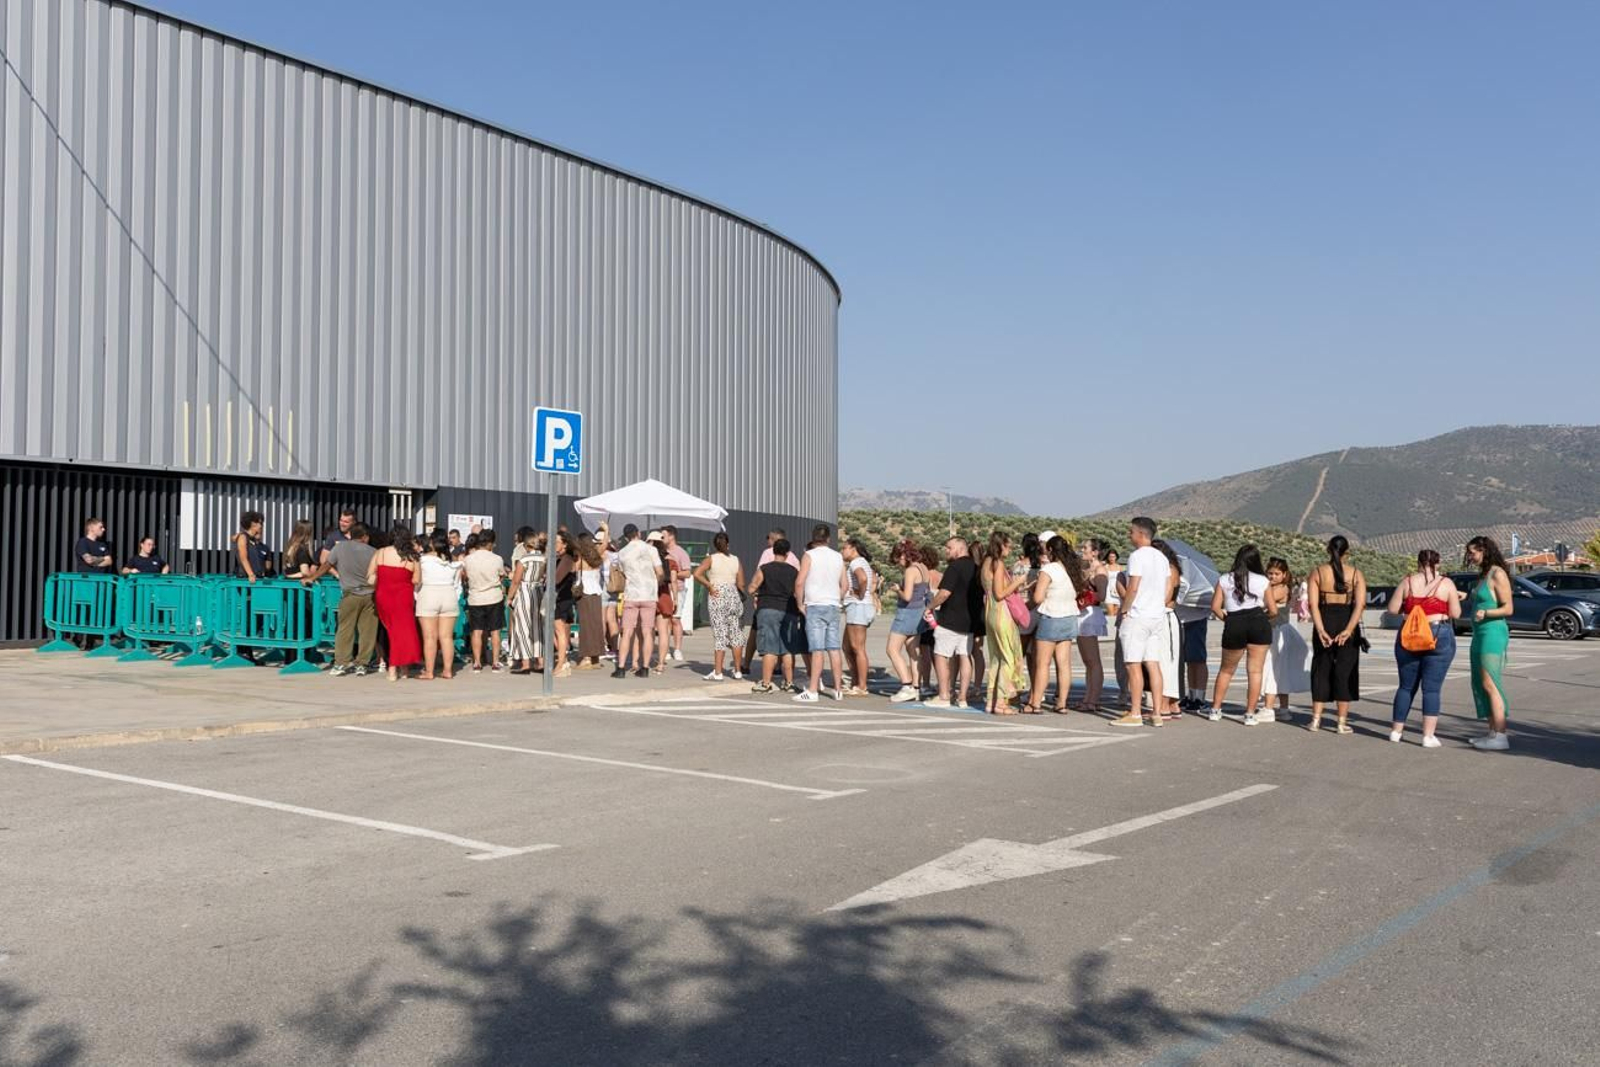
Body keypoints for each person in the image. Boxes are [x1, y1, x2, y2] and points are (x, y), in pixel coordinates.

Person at [1386, 550, 1460, 747]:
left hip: (1410, 634)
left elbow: (1392, 609)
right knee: (1431, 689)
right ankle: (1428, 736)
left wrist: (1409, 608)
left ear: (1418, 562)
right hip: (1437, 634)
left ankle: (1396, 731)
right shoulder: (1446, 584)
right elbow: (1455, 612)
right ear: (1438, 563)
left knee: (1406, 686)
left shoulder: (1407, 582)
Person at [1111, 518, 1171, 727]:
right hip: (1156, 616)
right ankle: (1156, 712)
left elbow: (1133, 587)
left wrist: (1125, 609)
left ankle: (1135, 712)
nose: (1129, 535)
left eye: (1132, 532)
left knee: (1133, 664)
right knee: (1153, 664)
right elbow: (1167, 588)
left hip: (1138, 616)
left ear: (1141, 534)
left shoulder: (1137, 556)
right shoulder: (1162, 558)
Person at [1208, 544, 1273, 725]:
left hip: (1234, 622)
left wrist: (1227, 620)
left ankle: (1215, 709)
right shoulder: (1263, 580)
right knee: (1255, 671)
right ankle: (1250, 714)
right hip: (1258, 621)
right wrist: (1263, 618)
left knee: (1226, 670)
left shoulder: (1224, 579)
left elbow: (1215, 607)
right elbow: (1273, 609)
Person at [1309, 535, 1366, 734]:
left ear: (1328, 550)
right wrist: (1349, 630)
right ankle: (1341, 723)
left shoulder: (1317, 573)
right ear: (1347, 552)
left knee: (1321, 669)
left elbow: (1313, 605)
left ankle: (1315, 720)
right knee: (1345, 671)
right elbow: (1360, 605)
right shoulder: (1356, 574)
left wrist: (1320, 629)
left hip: (1324, 620)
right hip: (1346, 621)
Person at [1463, 536, 1513, 751]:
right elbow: (1483, 599)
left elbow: (1508, 608)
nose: (1470, 557)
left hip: (1493, 633)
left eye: (1472, 552)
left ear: (1484, 550)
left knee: (1490, 682)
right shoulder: (1484, 575)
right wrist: (1465, 596)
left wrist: (1488, 612)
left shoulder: (1497, 573)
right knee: (1480, 683)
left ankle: (1501, 735)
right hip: (1479, 633)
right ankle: (1492, 732)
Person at [1027, 535, 1083, 714]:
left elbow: (1038, 598)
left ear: (1050, 551)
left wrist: (1033, 589)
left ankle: (1035, 703)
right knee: (1063, 663)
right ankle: (1062, 703)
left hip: (1051, 616)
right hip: (1070, 617)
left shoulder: (1049, 569)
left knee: (1042, 663)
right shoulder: (1072, 568)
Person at [793, 524, 848, 702]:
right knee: (833, 648)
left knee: (817, 650)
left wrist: (800, 603)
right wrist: (836, 598)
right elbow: (845, 585)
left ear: (813, 537)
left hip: (815, 605)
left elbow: (800, 582)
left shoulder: (809, 555)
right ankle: (838, 689)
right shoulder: (838, 556)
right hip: (833, 605)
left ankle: (813, 690)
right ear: (828, 539)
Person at [748, 537, 805, 693]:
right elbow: (798, 590)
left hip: (768, 609)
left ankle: (766, 683)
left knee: (769, 648)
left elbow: (751, 588)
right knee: (787, 649)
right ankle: (789, 682)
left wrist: (758, 591)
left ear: (773, 551)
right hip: (789, 610)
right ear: (787, 553)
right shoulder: (794, 571)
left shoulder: (764, 569)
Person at [319, 523, 378, 676]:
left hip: (350, 594)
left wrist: (312, 577)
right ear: (365, 537)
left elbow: (326, 565)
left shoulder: (340, 548)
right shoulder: (374, 552)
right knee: (367, 631)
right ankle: (362, 664)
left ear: (351, 535)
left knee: (345, 629)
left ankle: (341, 663)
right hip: (370, 595)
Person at [981, 531, 1029, 715]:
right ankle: (1001, 702)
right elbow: (1000, 593)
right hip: (1002, 613)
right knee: (1008, 658)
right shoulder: (998, 563)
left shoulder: (986, 562)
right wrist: (1017, 582)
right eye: (1008, 546)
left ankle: (991, 700)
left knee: (996, 658)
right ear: (1001, 545)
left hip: (990, 613)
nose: (1010, 549)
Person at [926, 538, 978, 709]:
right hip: (970, 620)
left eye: (949, 547)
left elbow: (944, 593)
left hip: (950, 619)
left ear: (960, 548)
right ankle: (962, 697)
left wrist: (930, 607)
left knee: (941, 655)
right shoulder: (976, 567)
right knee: (965, 656)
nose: (946, 551)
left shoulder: (954, 567)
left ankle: (944, 695)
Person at [368, 524, 422, 682]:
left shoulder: (381, 553)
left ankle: (401, 668)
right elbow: (417, 580)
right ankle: (395, 669)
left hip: (383, 595)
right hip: (403, 597)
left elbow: (370, 574)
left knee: (393, 631)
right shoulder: (413, 557)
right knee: (402, 631)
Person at [1261, 557, 1311, 721]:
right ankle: (1283, 709)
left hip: (1278, 632)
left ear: (1284, 575)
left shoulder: (1280, 589)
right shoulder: (1273, 587)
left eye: (1276, 573)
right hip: (1277, 631)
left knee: (1271, 669)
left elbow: (1263, 602)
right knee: (1282, 671)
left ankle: (1268, 708)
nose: (1272, 576)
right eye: (1270, 573)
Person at [692, 533, 747, 681]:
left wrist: (709, 585)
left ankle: (718, 672)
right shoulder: (736, 560)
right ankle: (737, 670)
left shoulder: (711, 559)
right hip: (733, 595)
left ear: (715, 545)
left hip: (717, 595)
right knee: (736, 633)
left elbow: (697, 574)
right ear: (728, 544)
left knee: (720, 633)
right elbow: (741, 583)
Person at [742, 528, 799, 668]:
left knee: (756, 636)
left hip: (767, 603)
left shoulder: (768, 553)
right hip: (788, 605)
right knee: (784, 639)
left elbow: (758, 577)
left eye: (768, 537)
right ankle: (781, 669)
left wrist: (755, 595)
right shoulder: (794, 558)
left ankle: (747, 665)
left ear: (773, 540)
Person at [613, 524, 664, 679]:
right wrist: (657, 583)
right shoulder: (652, 550)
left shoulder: (621, 553)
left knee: (627, 632)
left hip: (631, 594)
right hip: (649, 594)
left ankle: (620, 668)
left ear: (626, 536)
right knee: (647, 631)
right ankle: (645, 668)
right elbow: (660, 572)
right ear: (638, 533)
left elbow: (622, 573)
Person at [885, 541, 933, 702]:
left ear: (904, 555)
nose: (899, 563)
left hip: (907, 612)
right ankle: (917, 687)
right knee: (914, 651)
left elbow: (907, 596)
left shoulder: (910, 571)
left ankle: (907, 686)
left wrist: (897, 589)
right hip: (919, 612)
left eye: (899, 559)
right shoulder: (923, 568)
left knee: (892, 649)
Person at [415, 529, 463, 679]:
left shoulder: (422, 560)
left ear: (432, 542)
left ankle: (429, 672)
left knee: (429, 637)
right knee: (447, 637)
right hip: (448, 595)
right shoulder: (452, 561)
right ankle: (448, 671)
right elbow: (457, 585)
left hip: (429, 594)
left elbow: (416, 581)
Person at [1075, 538, 1111, 713]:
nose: (1083, 550)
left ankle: (1093, 699)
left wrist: (1086, 594)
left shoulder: (1099, 570)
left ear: (1095, 552)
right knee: (1087, 661)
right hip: (1081, 613)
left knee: (1093, 660)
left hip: (1090, 615)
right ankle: (1088, 697)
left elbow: (1102, 595)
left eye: (1085, 547)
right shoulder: (1086, 569)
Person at [464, 529, 507, 673]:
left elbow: (465, 576)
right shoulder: (497, 559)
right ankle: (495, 662)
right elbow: (501, 576)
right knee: (495, 631)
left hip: (475, 597)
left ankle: (477, 663)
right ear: (490, 543)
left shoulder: (468, 559)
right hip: (494, 597)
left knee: (476, 631)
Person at [1151, 539, 1185, 721]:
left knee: (1166, 661)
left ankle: (1166, 703)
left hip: (1165, 617)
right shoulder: (1166, 569)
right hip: (1161, 617)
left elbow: (1165, 597)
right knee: (1163, 660)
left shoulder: (1170, 570)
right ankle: (1171, 703)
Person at [505, 534, 545, 675]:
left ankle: (525, 663)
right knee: (538, 627)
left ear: (527, 546)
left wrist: (509, 598)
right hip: (539, 591)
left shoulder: (524, 559)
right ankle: (540, 661)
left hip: (525, 592)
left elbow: (516, 581)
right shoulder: (544, 558)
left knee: (523, 628)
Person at [841, 539, 876, 696]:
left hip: (858, 607)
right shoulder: (861, 562)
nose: (842, 551)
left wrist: (860, 593)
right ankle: (856, 682)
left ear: (853, 549)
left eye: (845, 548)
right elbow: (870, 579)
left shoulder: (856, 562)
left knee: (857, 648)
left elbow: (862, 578)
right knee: (847, 646)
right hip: (858, 607)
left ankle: (862, 686)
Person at [571, 532, 607, 670]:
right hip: (596, 592)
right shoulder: (597, 555)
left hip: (584, 593)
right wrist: (606, 529)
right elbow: (604, 544)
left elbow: (573, 570)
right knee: (596, 625)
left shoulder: (580, 558)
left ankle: (586, 658)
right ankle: (595, 658)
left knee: (585, 626)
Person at [545, 531, 578, 677]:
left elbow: (556, 578)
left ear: (564, 544)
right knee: (552, 629)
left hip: (562, 597)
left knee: (559, 630)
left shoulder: (567, 559)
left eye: (556, 542)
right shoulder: (560, 558)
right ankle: (562, 659)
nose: (553, 545)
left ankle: (562, 662)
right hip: (557, 597)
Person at [661, 526, 693, 662]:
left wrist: (672, 574)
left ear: (671, 536)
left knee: (675, 619)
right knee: (664, 620)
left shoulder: (681, 553)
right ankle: (666, 649)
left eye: (664, 536)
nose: (661, 539)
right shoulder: (660, 552)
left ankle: (678, 649)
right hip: (663, 589)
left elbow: (687, 572)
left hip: (678, 589)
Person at [649, 533, 677, 675]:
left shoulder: (648, 559)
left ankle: (645, 661)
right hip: (665, 595)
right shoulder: (670, 559)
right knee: (663, 631)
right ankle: (660, 664)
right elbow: (673, 581)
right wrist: (676, 599)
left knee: (648, 631)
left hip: (649, 595)